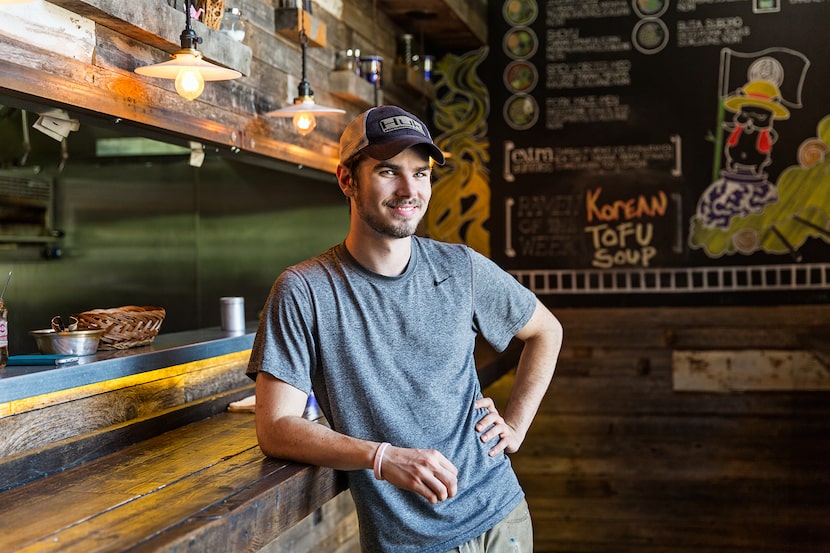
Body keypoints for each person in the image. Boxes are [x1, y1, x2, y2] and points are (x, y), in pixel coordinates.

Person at [247, 105, 563, 553]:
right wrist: (380, 457)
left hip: (502, 516)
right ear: (346, 180)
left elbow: (546, 330)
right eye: (388, 171)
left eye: (421, 173)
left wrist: (515, 426)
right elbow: (275, 427)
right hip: (408, 542)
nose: (409, 189)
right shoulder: (304, 290)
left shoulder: (461, 268)